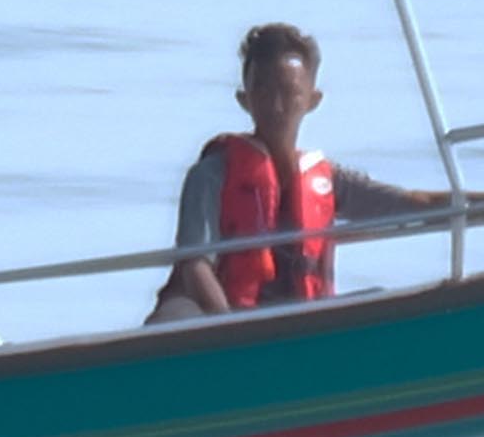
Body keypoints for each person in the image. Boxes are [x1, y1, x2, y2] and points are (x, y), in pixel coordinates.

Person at [149, 21, 457, 321]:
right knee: (179, 314)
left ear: (312, 100)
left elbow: (415, 203)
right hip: (223, 322)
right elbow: (195, 266)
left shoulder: (329, 180)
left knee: (382, 303)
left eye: (289, 92)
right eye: (263, 91)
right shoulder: (212, 174)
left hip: (290, 321)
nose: (276, 105)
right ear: (245, 99)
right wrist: (231, 331)